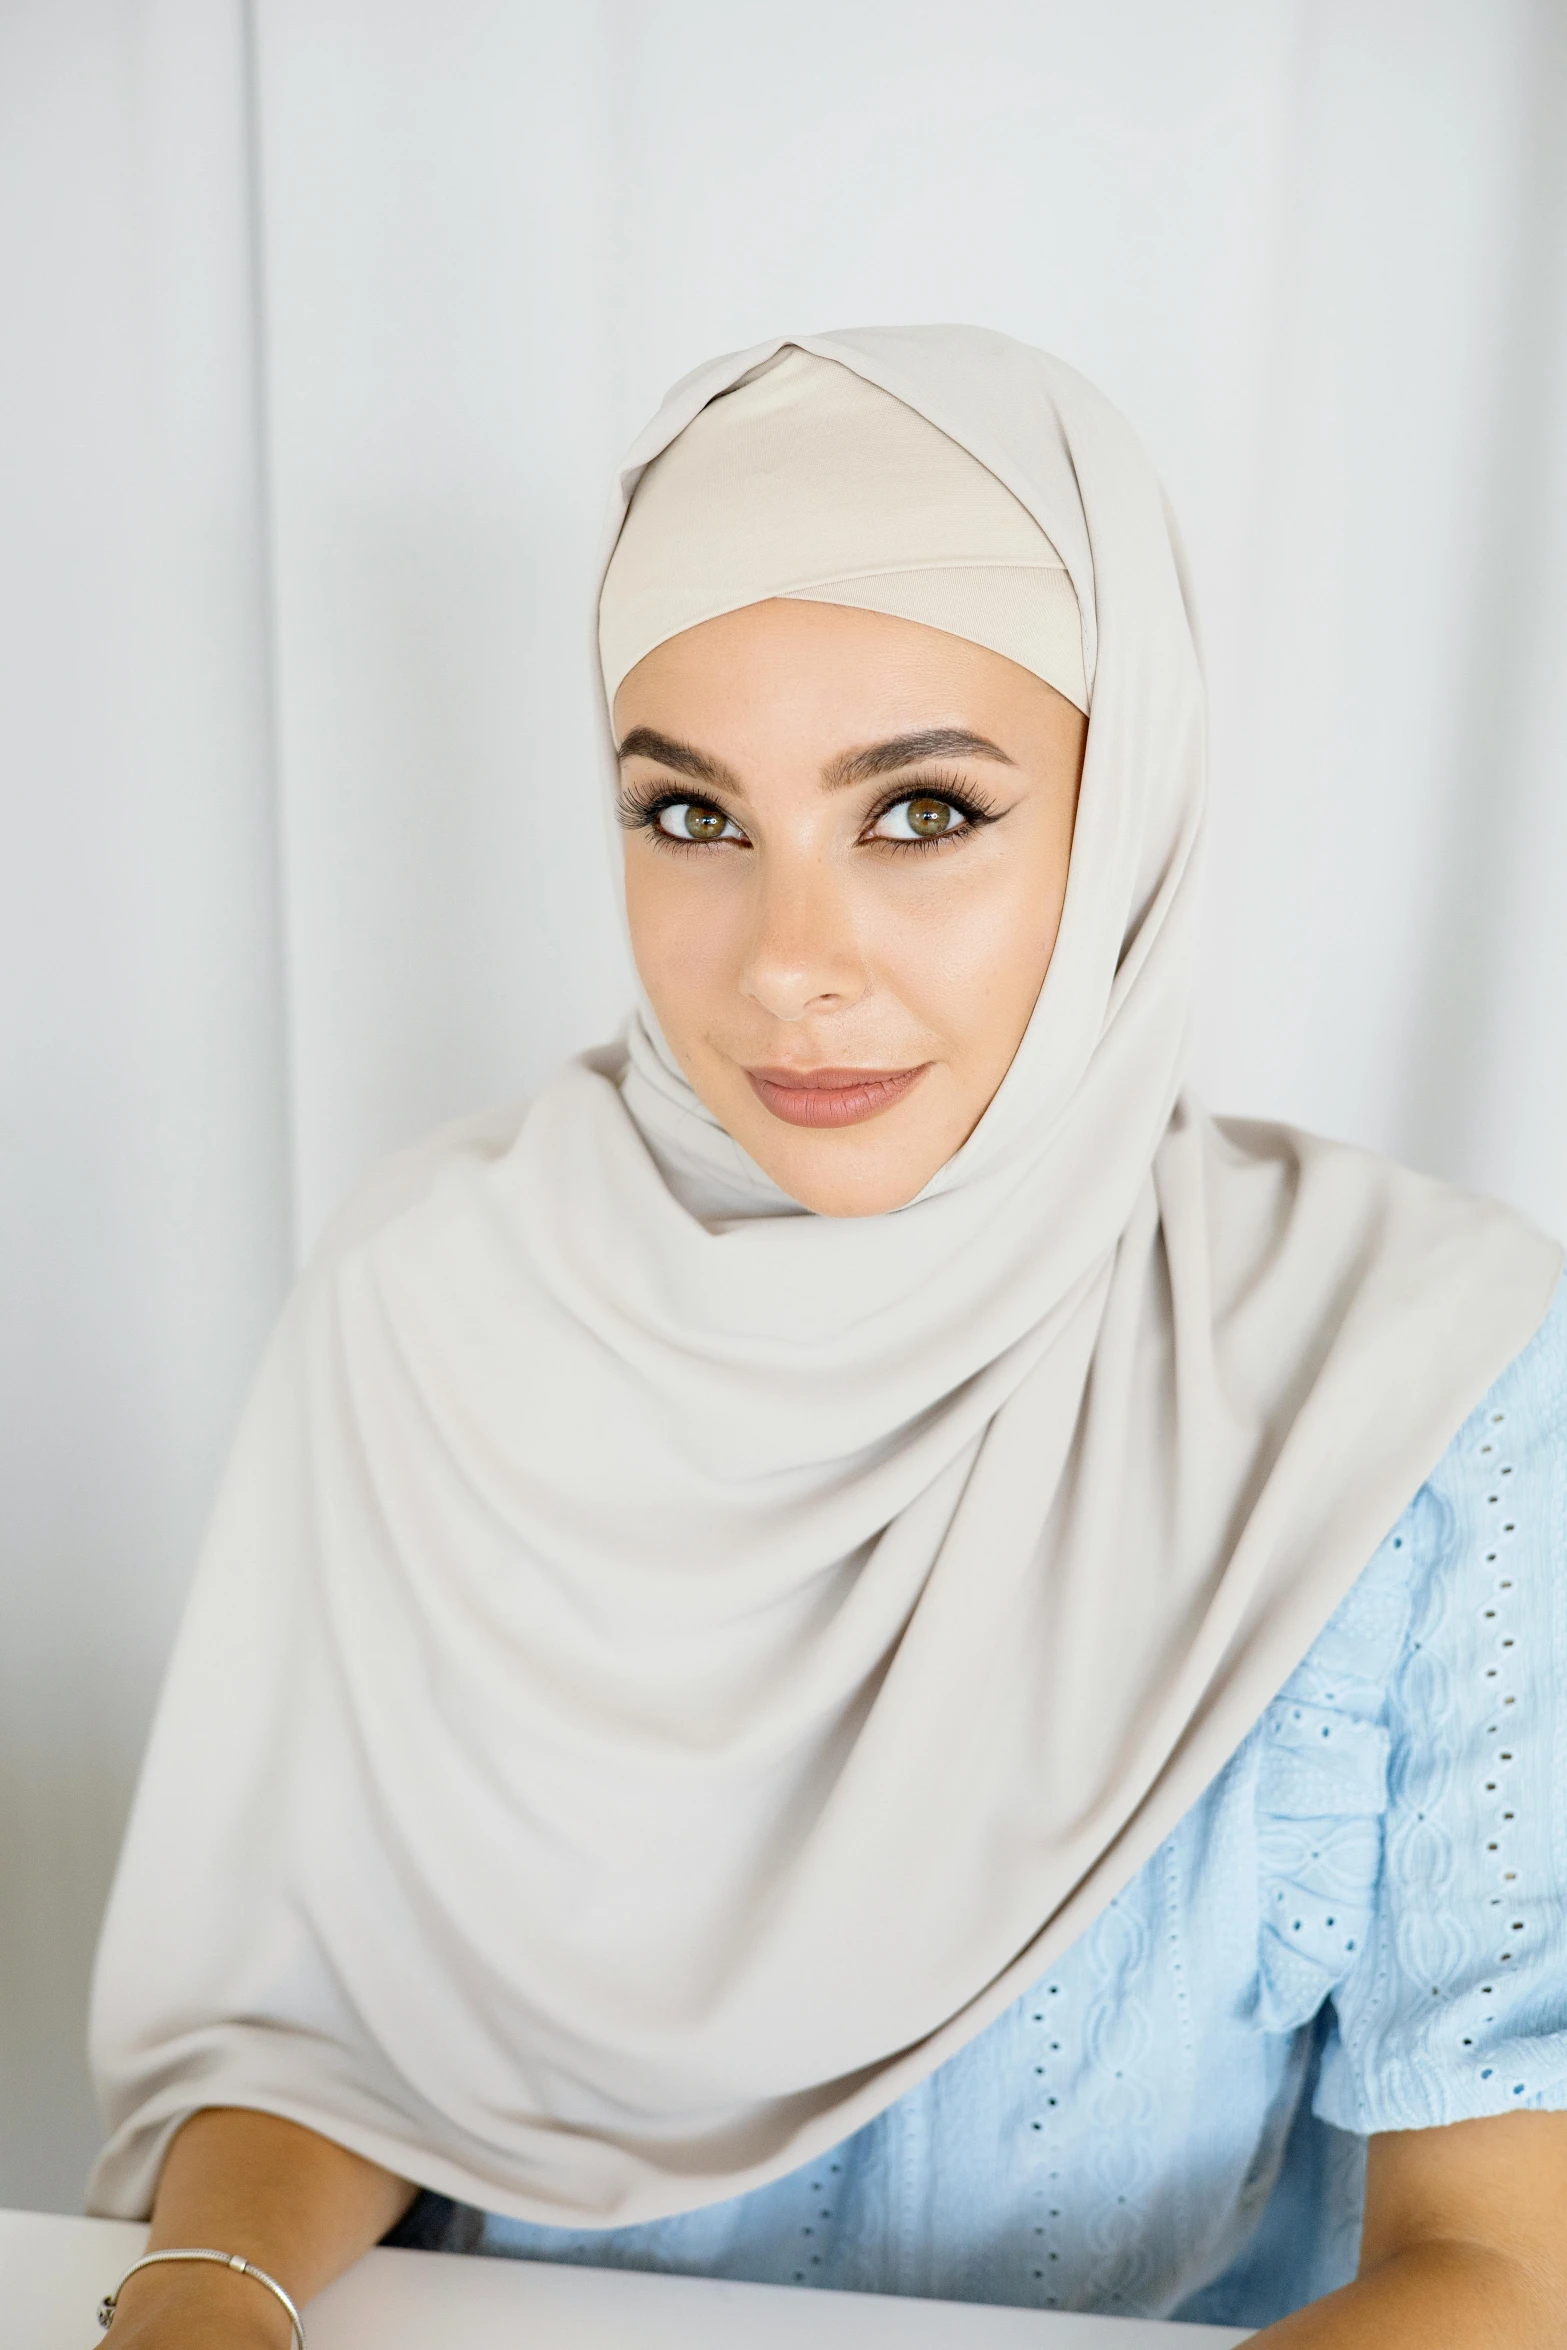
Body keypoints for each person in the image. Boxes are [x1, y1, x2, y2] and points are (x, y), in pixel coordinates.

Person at [87, 331, 1567, 2349]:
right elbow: (321, 2031)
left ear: (1118, 810)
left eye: (923, 810)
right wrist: (202, 2291)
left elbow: (1503, 2257)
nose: (791, 961)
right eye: (691, 816)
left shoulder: (1414, 1374)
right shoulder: (438, 1297)